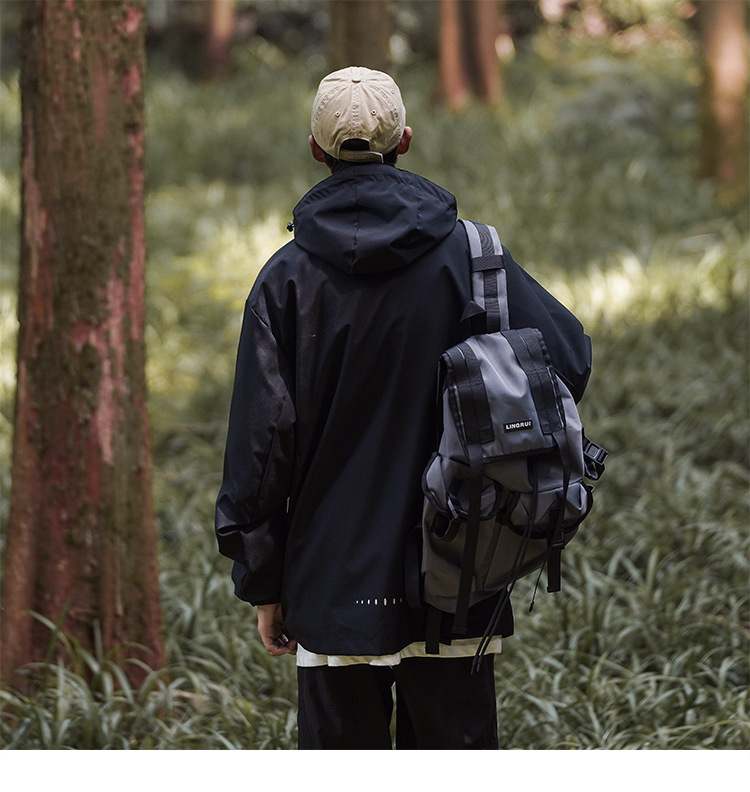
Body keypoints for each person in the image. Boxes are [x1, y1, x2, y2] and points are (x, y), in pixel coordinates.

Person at [215, 66, 591, 750]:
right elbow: (568, 359)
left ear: (315, 149)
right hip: (463, 567)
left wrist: (263, 581)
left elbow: (261, 450)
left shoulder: (284, 279)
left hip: (330, 586)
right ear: (405, 141)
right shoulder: (476, 257)